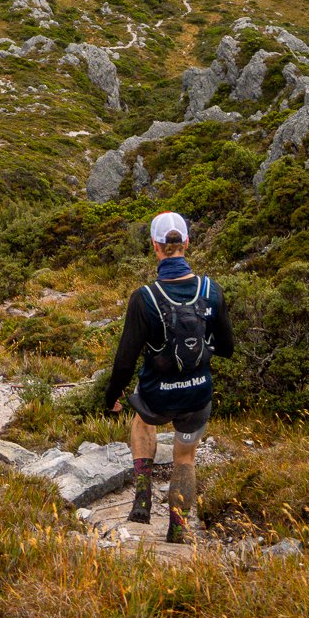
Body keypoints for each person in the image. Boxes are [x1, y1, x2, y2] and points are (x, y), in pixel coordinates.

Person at [103, 211, 234, 541]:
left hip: (156, 398)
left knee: (142, 419)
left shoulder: (144, 298)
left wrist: (112, 396)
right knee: (185, 458)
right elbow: (228, 347)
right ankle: (178, 527)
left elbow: (125, 360)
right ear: (187, 243)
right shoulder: (211, 290)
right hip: (197, 396)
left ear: (155, 246)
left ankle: (143, 498)